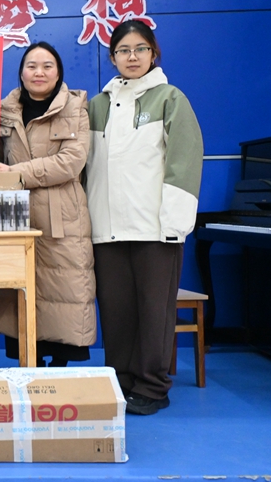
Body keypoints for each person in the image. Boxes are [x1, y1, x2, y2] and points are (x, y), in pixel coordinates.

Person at [86, 20, 203, 415]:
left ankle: (153, 386)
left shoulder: (170, 98)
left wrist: (175, 225)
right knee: (116, 312)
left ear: (154, 53)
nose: (132, 57)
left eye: (140, 49)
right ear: (112, 57)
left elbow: (184, 163)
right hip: (106, 230)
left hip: (155, 229)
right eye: (123, 50)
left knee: (155, 312)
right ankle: (120, 381)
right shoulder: (97, 106)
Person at [0, 42, 97, 367]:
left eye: (47, 66)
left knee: (62, 289)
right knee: (18, 290)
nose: (39, 72)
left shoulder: (76, 109)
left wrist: (16, 173)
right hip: (11, 214)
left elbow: (71, 162)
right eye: (31, 66)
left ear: (59, 73)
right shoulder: (3, 110)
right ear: (21, 73)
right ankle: (28, 366)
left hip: (61, 217)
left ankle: (58, 368)